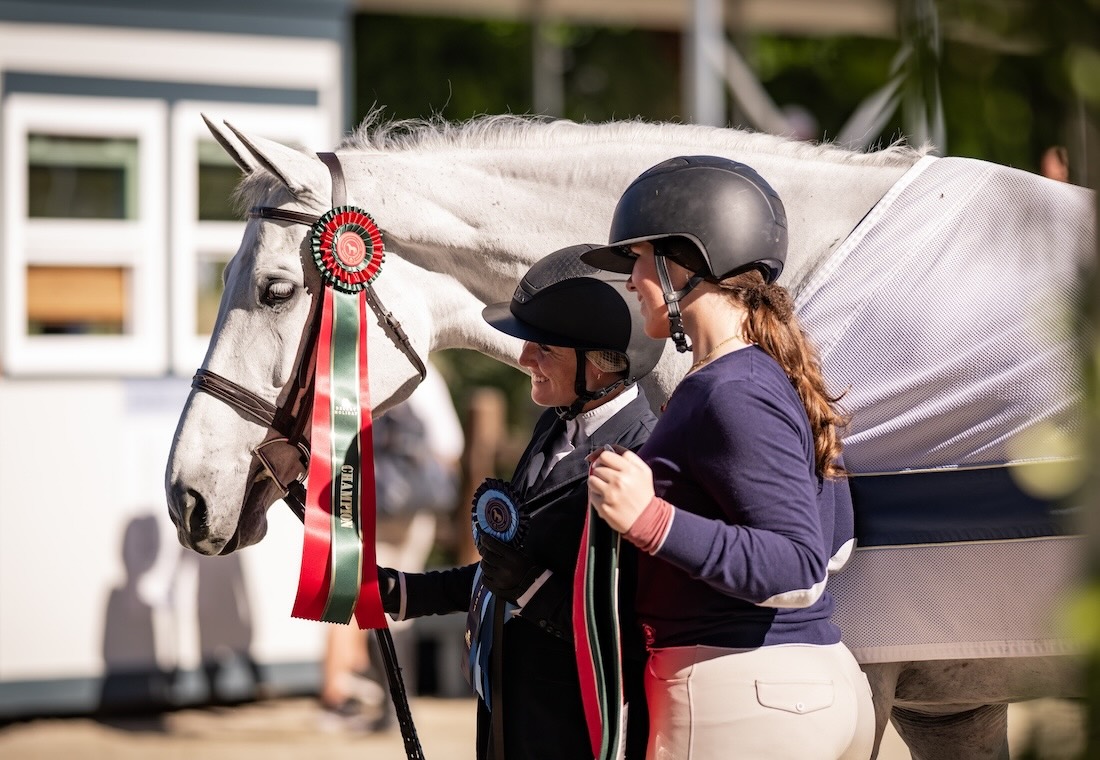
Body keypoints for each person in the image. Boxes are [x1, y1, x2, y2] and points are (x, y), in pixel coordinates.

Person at [581, 156, 874, 760]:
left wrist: (651, 520)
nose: (633, 280)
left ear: (686, 264)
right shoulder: (769, 377)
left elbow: (799, 567)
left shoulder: (732, 389)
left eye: (639, 259)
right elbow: (838, 541)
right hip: (799, 690)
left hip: (742, 698)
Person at [377, 244, 664, 759]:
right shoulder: (555, 426)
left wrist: (533, 591)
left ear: (603, 364)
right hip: (513, 721)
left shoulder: (644, 457)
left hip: (580, 730)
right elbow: (504, 571)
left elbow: (632, 615)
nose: (525, 357)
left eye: (545, 348)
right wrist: (403, 593)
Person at [319, 364, 463, 732]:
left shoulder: (353, 373)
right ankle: (397, 702)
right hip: (414, 508)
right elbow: (451, 446)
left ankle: (380, 704)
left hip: (372, 504)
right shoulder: (424, 375)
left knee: (368, 598)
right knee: (401, 601)